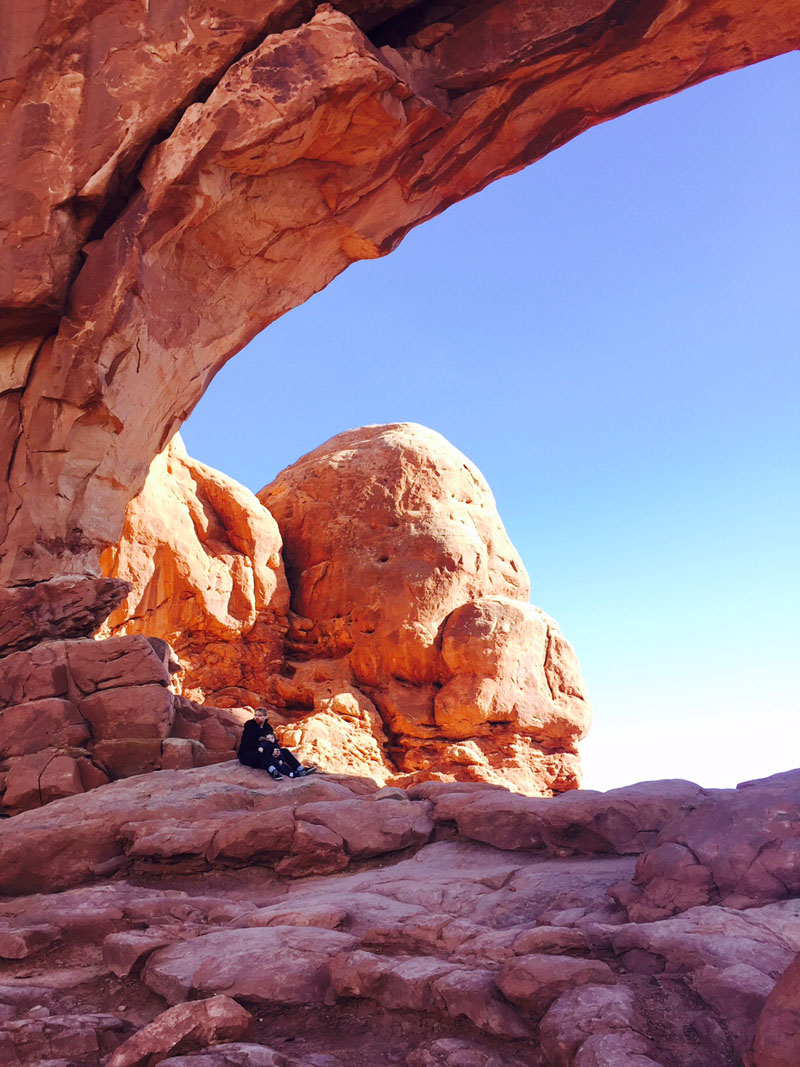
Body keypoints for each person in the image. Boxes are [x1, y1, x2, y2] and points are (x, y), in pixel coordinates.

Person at [237, 707, 316, 781]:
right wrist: (271, 750)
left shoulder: (268, 727)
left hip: (264, 753)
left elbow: (274, 741)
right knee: (265, 751)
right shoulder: (250, 726)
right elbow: (253, 742)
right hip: (248, 755)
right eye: (255, 715)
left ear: (265, 717)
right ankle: (277, 772)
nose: (256, 717)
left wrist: (277, 751)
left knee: (284, 751)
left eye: (260, 715)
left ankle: (300, 769)